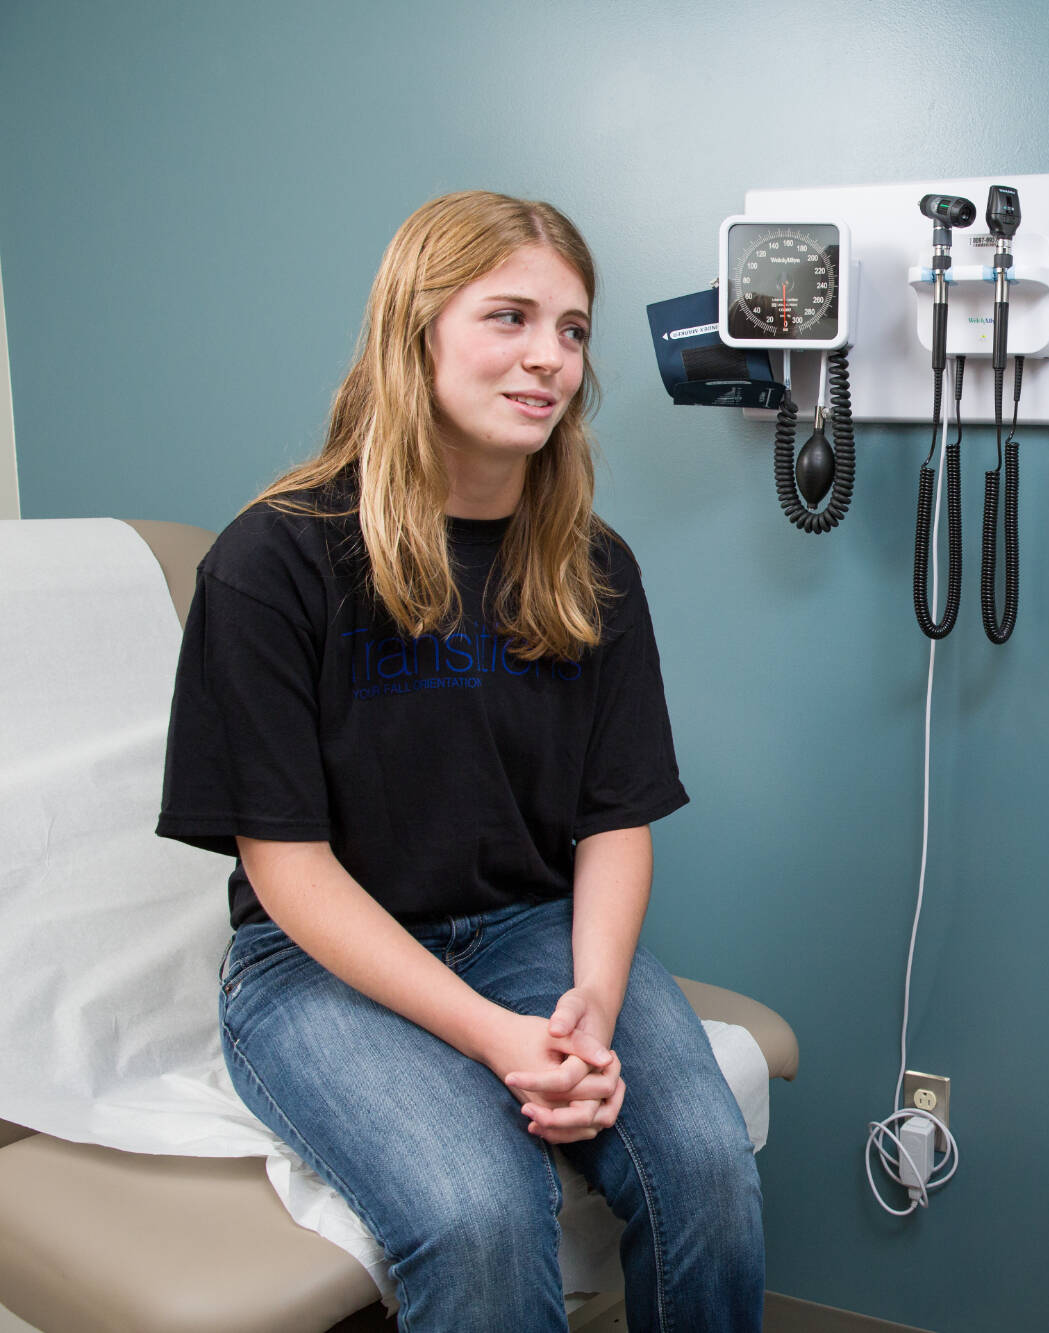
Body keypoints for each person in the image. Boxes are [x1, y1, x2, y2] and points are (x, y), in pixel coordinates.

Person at [157, 190, 763, 1332]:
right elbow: (287, 870)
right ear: (415, 330)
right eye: (510, 318)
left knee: (704, 1162)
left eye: (572, 329)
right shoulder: (273, 560)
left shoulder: (594, 567)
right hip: (315, 967)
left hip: (532, 931)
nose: (550, 359)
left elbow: (613, 820)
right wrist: (497, 1039)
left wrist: (586, 999)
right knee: (481, 1211)